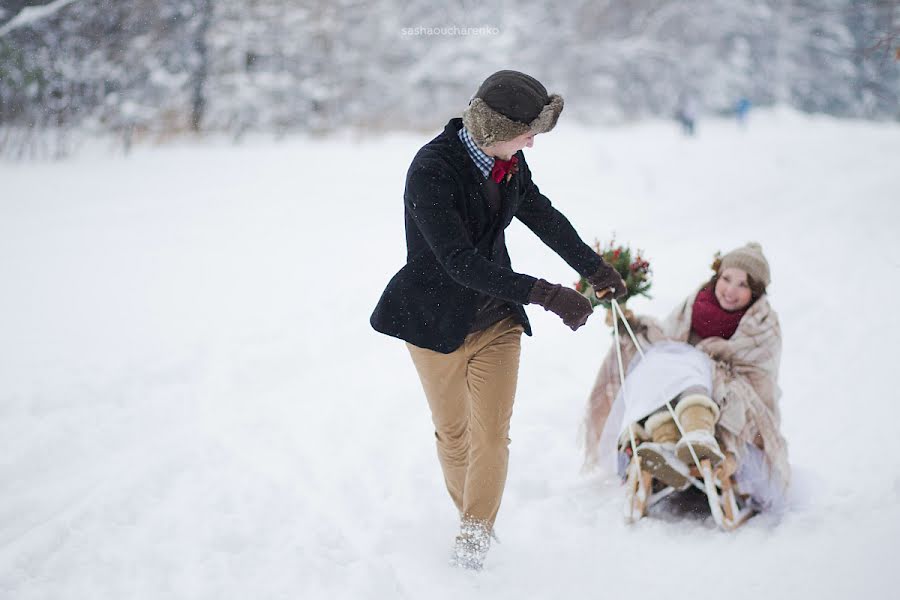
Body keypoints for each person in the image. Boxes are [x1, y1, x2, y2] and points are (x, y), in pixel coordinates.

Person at [370, 70, 626, 570]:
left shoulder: (511, 162)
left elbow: (544, 216)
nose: (534, 140)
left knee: (491, 434)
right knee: (454, 435)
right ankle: (470, 514)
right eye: (529, 131)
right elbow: (457, 262)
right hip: (434, 323)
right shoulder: (431, 170)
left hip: (495, 321)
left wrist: (594, 268)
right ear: (494, 129)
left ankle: (474, 536)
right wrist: (547, 295)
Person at [583, 242, 789, 513]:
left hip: (731, 387)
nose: (730, 290)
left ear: (756, 291)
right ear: (717, 276)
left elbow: (758, 374)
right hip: (682, 379)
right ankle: (666, 446)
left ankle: (698, 438)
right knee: (659, 363)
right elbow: (667, 339)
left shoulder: (763, 324)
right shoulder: (698, 303)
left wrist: (704, 362)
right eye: (727, 279)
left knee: (684, 365)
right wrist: (633, 326)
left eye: (743, 284)